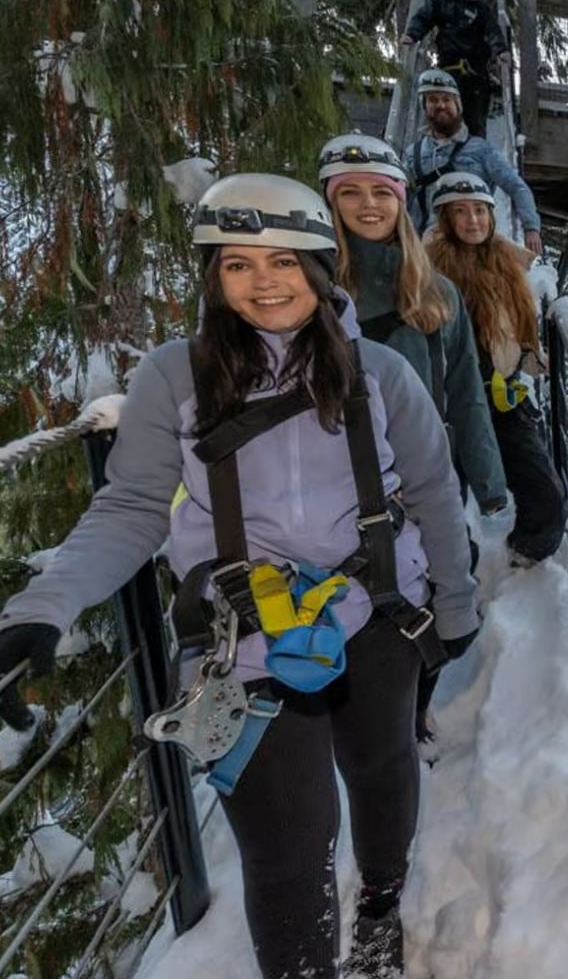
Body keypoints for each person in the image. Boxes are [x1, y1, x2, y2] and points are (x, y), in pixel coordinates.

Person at [0, 173, 478, 979]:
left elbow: (433, 490)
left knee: (381, 770)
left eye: (284, 261)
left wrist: (455, 602)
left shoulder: (380, 374)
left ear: (319, 267)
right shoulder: (176, 378)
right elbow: (133, 506)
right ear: (212, 275)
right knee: (288, 846)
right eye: (237, 263)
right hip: (244, 638)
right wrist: (44, 605)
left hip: (375, 611)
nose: (263, 282)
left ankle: (379, 905)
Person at [317, 135, 508, 754]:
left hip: (420, 479)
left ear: (402, 201)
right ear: (329, 201)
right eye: (351, 193)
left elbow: (466, 394)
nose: (369, 205)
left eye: (382, 192)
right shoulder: (310, 291)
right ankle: (358, 727)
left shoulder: (436, 294)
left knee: (433, 594)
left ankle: (409, 714)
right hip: (336, 483)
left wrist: (489, 482)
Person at [425, 172, 566, 564]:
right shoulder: (425, 270)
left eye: (480, 210)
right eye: (460, 211)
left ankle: (525, 554)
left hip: (502, 395)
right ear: (445, 218)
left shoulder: (505, 262)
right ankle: (453, 575)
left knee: (546, 494)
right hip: (449, 401)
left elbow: (513, 324)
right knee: (443, 502)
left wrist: (530, 357)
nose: (473, 220)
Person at [402, 69, 545, 259]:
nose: (440, 105)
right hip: (426, 249)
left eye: (446, 99)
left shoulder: (481, 150)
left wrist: (531, 227)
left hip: (472, 248)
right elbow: (400, 198)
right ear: (425, 106)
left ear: (457, 105)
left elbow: (516, 186)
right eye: (433, 100)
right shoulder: (413, 154)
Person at [398, 0, 509, 138]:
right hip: (449, 70)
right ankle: (444, 148)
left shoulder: (480, 7)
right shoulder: (440, 0)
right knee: (447, 117)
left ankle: (474, 151)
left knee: (475, 122)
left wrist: (501, 50)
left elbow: (492, 30)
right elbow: (424, 18)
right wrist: (412, 35)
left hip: (476, 74)